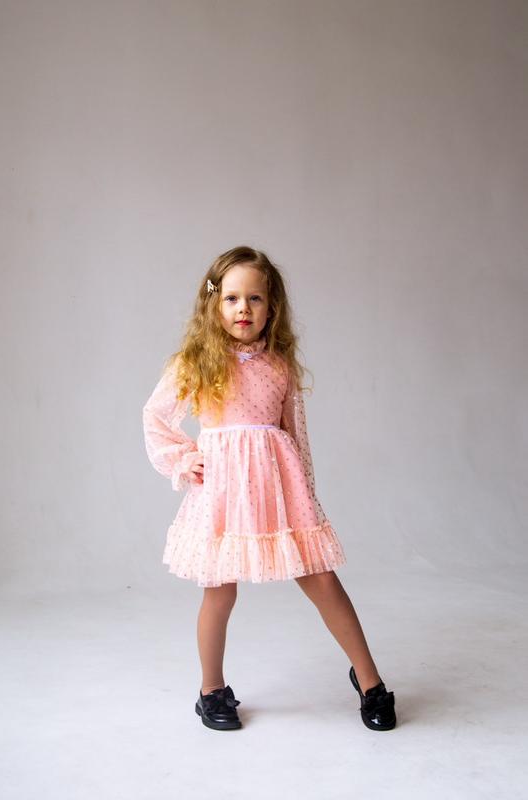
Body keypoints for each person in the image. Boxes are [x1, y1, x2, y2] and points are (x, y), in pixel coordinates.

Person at [142, 245, 396, 733]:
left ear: (271, 306)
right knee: (219, 593)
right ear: (214, 303)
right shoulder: (197, 362)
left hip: (279, 490)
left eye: (254, 298)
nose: (243, 308)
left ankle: (370, 681)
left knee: (323, 581)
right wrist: (183, 459)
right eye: (232, 298)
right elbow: (155, 416)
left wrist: (307, 495)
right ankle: (211, 690)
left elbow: (295, 435)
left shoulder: (279, 366)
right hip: (224, 493)